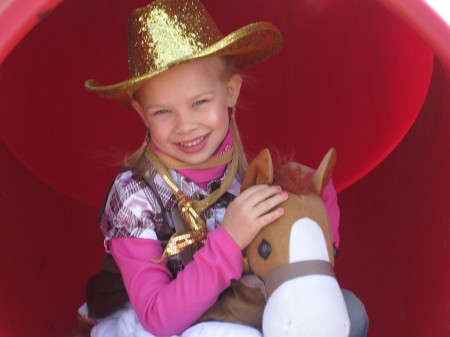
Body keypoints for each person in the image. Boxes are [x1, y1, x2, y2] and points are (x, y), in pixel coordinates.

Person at [78, 1, 369, 336]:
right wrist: (229, 240)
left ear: (230, 93)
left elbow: (307, 268)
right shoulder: (135, 196)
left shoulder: (246, 175)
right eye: (162, 112)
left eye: (200, 103)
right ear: (142, 114)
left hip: (232, 310)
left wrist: (314, 199)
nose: (185, 126)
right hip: (157, 325)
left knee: (348, 312)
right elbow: (158, 317)